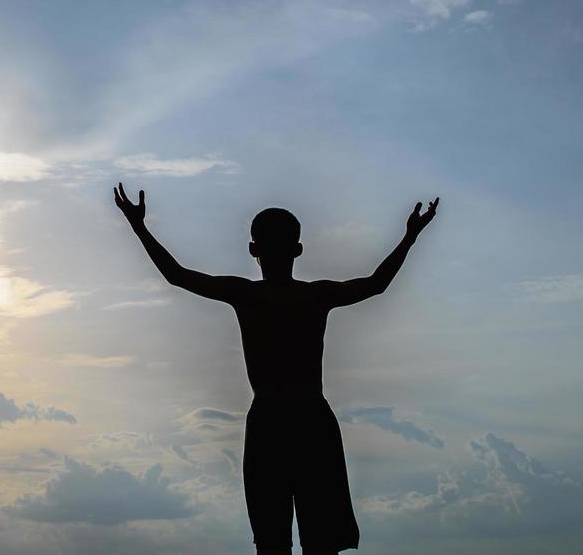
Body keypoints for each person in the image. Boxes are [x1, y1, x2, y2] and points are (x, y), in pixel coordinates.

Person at [112, 183, 439, 555]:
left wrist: (139, 226)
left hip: (272, 421)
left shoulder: (248, 295)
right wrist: (410, 237)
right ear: (298, 250)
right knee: (318, 542)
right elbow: (375, 284)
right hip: (310, 421)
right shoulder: (315, 295)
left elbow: (177, 275)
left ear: (253, 250)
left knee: (273, 541)